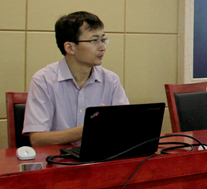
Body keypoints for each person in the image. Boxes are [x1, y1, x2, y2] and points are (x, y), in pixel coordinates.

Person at [23, 11, 129, 146]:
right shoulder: (43, 80)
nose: (102, 47)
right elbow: (37, 140)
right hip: (58, 157)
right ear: (70, 47)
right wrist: (89, 128)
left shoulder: (111, 80)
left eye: (103, 39)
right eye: (94, 40)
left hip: (99, 155)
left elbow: (125, 127)